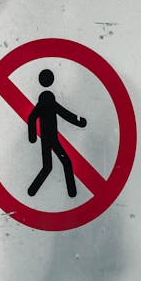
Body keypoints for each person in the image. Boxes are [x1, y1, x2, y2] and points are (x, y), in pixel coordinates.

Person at [26, 69, 87, 197]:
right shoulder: (50, 104)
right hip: (52, 139)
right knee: (64, 163)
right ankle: (71, 192)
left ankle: (32, 191)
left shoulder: (42, 104)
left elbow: (32, 118)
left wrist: (33, 137)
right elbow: (66, 114)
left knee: (48, 167)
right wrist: (80, 122)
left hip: (47, 140)